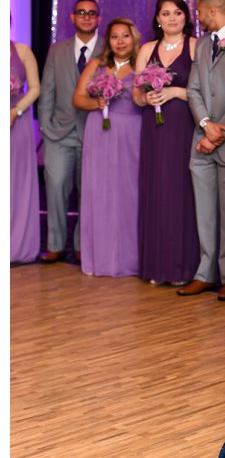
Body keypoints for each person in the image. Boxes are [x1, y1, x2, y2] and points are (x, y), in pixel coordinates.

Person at [176, 0, 225, 301]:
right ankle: (205, 273)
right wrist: (206, 126)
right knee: (203, 212)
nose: (198, 17)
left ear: (212, 10)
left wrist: (222, 130)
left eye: (199, 11)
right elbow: (192, 89)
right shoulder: (202, 44)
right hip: (202, 141)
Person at [132, 0, 200, 288]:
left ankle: (184, 268)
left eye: (177, 13)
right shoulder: (147, 49)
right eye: (165, 13)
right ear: (157, 19)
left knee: (181, 191)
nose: (172, 18)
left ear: (186, 17)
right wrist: (145, 96)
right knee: (156, 190)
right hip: (154, 129)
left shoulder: (196, 46)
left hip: (184, 126)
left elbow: (203, 92)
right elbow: (135, 94)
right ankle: (156, 266)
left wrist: (174, 92)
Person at [73, 17, 143, 279]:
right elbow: (77, 98)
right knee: (99, 193)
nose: (120, 42)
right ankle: (99, 257)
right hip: (99, 134)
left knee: (129, 192)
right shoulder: (96, 65)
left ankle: (130, 258)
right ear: (108, 40)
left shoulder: (141, 64)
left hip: (131, 135)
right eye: (115, 37)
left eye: (125, 36)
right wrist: (98, 103)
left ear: (133, 38)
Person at [37, 0, 100, 264]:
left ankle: (83, 246)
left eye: (91, 13)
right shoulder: (57, 50)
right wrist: (45, 127)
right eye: (80, 12)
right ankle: (54, 245)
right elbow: (47, 91)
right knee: (55, 189)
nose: (86, 16)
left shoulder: (108, 51)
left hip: (95, 135)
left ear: (98, 19)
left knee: (89, 192)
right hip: (58, 135)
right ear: (72, 17)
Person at [11, 35, 42, 263]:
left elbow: (34, 88)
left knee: (15, 183)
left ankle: (15, 245)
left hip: (15, 123)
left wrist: (16, 111)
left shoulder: (21, 51)